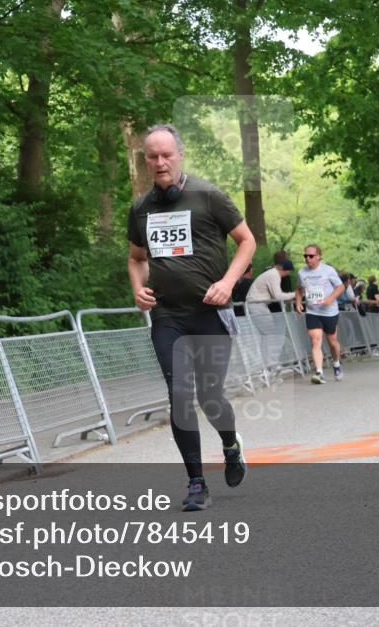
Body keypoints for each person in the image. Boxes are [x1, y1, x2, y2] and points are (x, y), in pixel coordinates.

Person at [127, 123, 255, 511]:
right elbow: (136, 259)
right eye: (153, 156)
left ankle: (230, 446)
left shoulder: (208, 195)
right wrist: (137, 288)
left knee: (210, 396)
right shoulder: (141, 208)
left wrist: (229, 282)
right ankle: (197, 482)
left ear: (180, 155)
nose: (161, 162)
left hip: (209, 314)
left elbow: (247, 241)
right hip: (169, 317)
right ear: (145, 161)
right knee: (179, 395)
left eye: (167, 154)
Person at [295, 244, 345, 384]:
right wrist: (298, 302)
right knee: (316, 339)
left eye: (311, 256)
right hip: (313, 311)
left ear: (318, 257)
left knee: (333, 342)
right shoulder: (302, 272)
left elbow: (340, 286)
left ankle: (336, 364)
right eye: (305, 256)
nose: (307, 258)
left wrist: (330, 298)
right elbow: (299, 289)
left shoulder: (328, 270)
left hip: (329, 312)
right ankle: (319, 372)